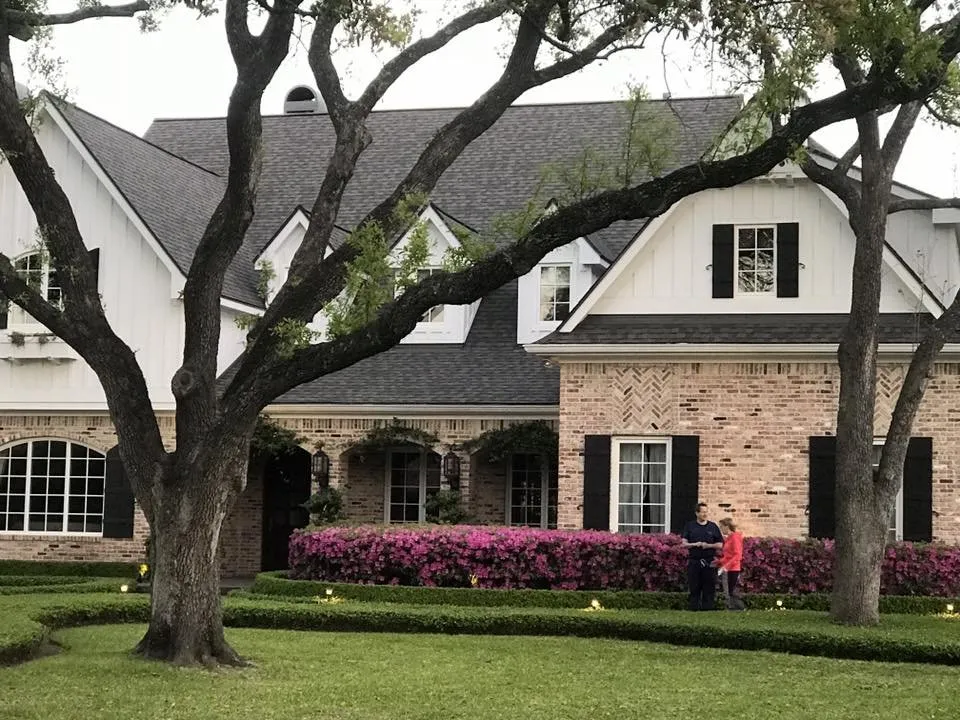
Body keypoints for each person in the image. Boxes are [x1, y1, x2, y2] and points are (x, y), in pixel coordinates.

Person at [681, 502, 724, 611]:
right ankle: (693, 608)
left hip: (709, 561)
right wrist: (695, 544)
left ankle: (707, 609)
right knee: (694, 586)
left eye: (706, 512)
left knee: (709, 586)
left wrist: (708, 545)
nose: (705, 514)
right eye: (702, 512)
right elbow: (683, 543)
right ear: (697, 513)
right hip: (694, 561)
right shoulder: (690, 526)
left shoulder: (713, 527)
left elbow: (720, 544)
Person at [716, 518, 745, 610]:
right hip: (728, 568)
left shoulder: (735, 537)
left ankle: (739, 608)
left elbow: (737, 555)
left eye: (721, 527)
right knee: (728, 591)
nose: (721, 530)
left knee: (730, 591)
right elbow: (728, 555)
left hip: (733, 569)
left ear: (727, 526)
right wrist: (719, 562)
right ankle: (732, 608)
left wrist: (726, 566)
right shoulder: (729, 538)